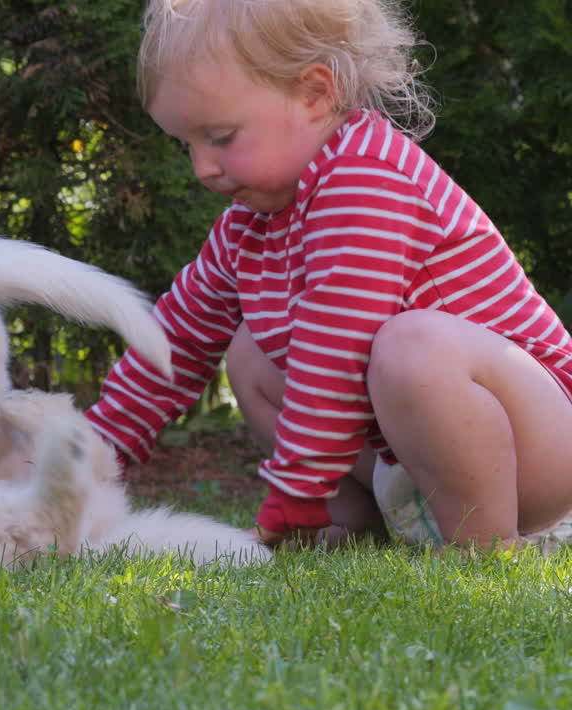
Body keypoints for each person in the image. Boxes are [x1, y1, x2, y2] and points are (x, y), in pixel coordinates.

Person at [86, 0, 572, 551]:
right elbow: (177, 337)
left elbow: (333, 356)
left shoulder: (367, 180)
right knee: (250, 353)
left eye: (220, 137)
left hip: (540, 454)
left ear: (315, 93)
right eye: (186, 144)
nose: (202, 167)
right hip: (417, 458)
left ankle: (484, 546)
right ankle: (346, 523)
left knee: (412, 344)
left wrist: (293, 487)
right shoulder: (250, 226)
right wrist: (94, 453)